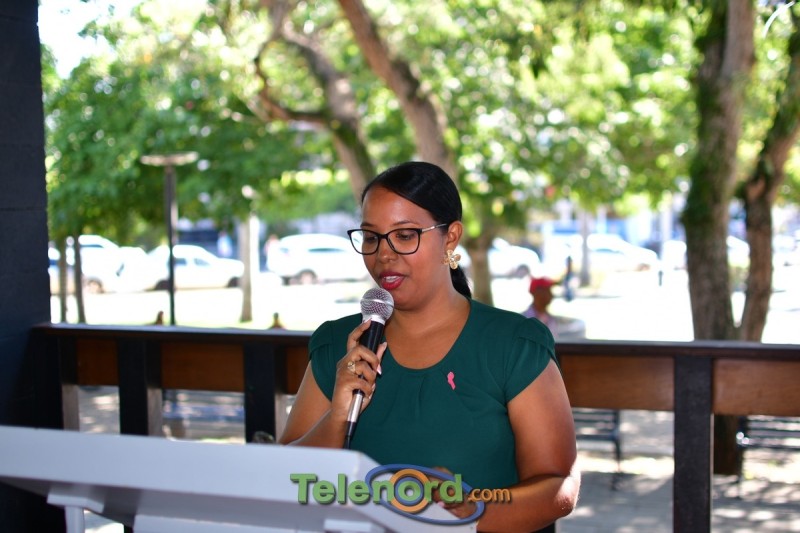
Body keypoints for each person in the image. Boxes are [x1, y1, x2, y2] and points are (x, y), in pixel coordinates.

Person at [279, 161, 580, 531]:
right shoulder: (336, 345)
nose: (384, 254)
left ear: (450, 238)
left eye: (405, 235)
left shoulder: (513, 345)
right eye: (371, 237)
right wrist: (338, 417)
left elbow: (559, 486)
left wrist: (473, 509)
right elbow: (284, 480)